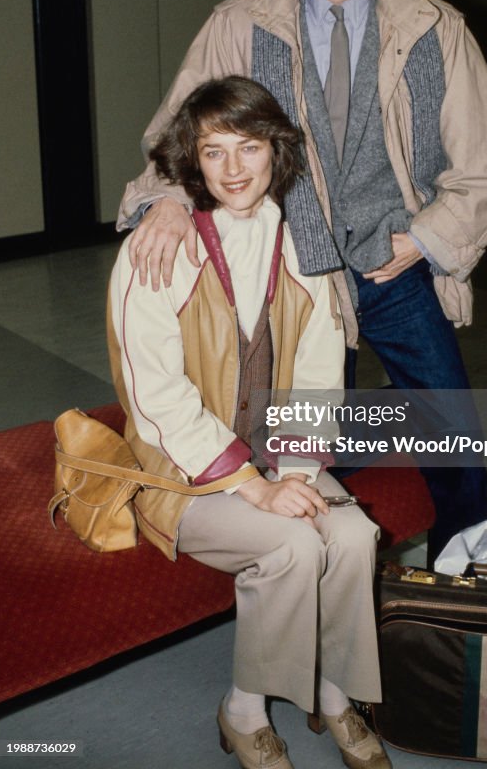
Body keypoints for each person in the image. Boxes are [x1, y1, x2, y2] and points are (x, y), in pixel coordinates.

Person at [118, 0, 487, 562]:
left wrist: (424, 241)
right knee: (315, 438)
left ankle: (466, 583)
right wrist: (168, 200)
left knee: (453, 436)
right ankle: (333, 571)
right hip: (290, 273)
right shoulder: (239, 24)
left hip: (397, 268)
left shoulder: (436, 28)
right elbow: (178, 130)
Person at [108, 76, 390, 769]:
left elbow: (321, 376)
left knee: (352, 534)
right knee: (291, 547)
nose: (234, 169)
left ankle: (333, 691)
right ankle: (243, 711)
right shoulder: (157, 248)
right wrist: (252, 485)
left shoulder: (301, 245)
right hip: (181, 471)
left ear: (277, 151)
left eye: (250, 147)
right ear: (191, 161)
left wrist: (292, 474)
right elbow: (154, 395)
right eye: (213, 152)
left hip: (275, 456)